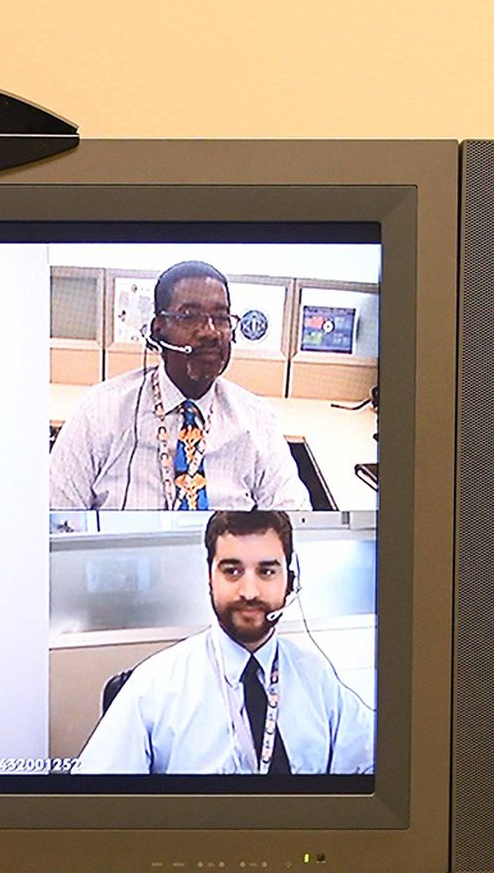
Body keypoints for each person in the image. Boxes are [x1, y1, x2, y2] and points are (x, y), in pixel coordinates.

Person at [74, 510, 373, 775]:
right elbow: (94, 805)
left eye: (267, 571)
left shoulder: (317, 679)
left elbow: (374, 768)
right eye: (232, 571)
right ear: (209, 577)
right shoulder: (153, 686)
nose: (250, 591)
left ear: (290, 580)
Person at [49, 261, 310, 510]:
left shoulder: (257, 420)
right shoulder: (99, 412)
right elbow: (53, 515)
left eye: (221, 318)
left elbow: (294, 519)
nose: (210, 332)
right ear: (157, 330)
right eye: (189, 316)